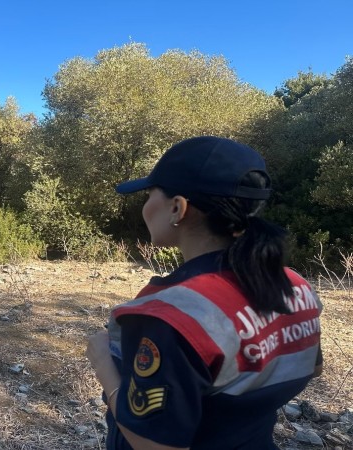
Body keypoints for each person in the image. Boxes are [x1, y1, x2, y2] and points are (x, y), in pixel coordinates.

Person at [85, 136, 323, 450]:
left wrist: (102, 360)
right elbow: (313, 367)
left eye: (149, 194)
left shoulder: (173, 315)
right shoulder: (294, 284)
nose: (144, 207)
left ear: (177, 207)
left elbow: (154, 445)